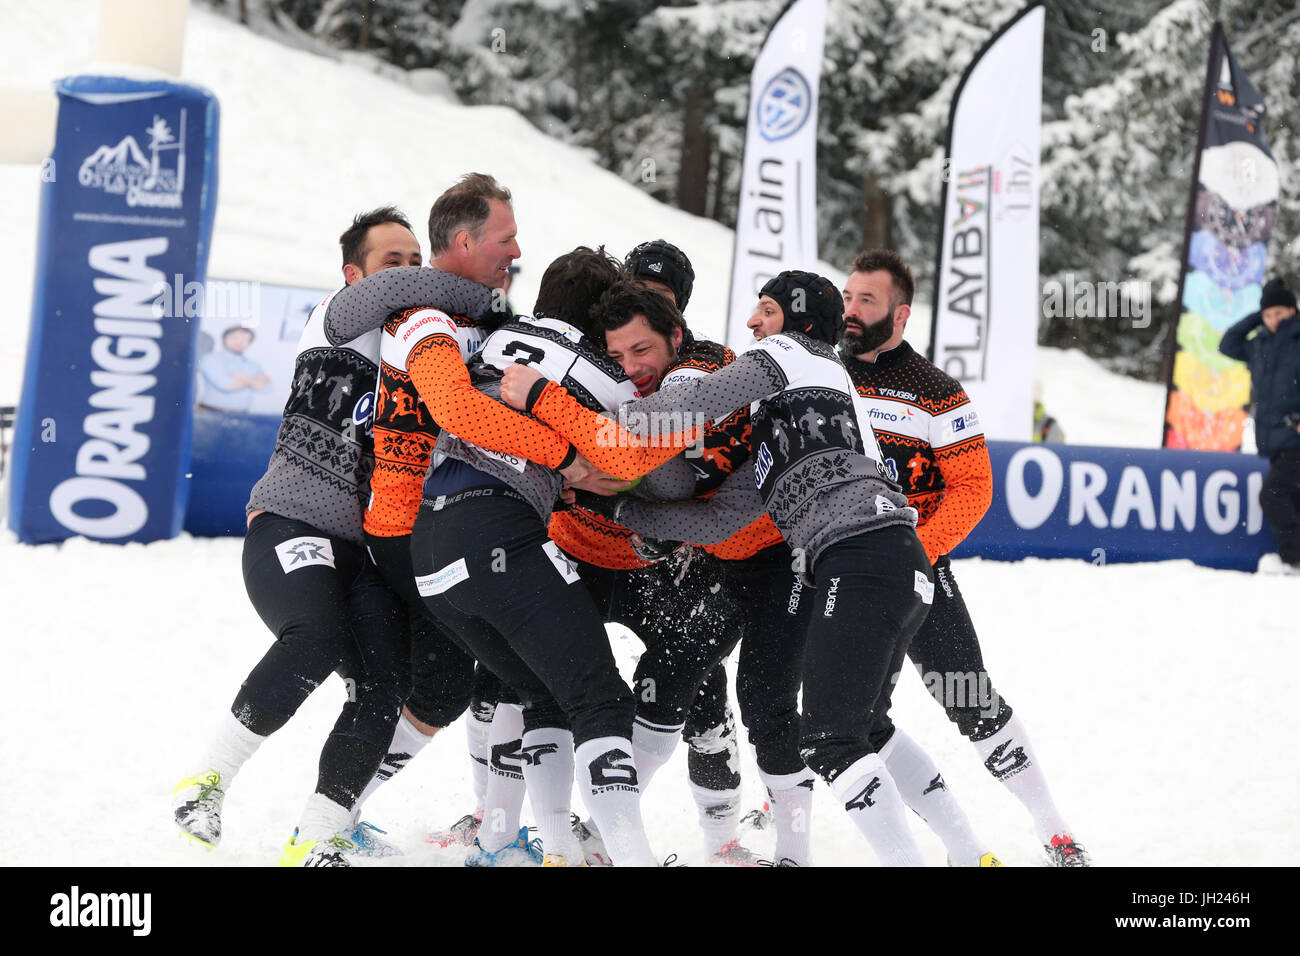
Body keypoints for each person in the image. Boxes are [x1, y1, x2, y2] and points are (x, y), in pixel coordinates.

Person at [503, 271, 957, 866]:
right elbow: (712, 517)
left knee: (800, 717)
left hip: (801, 562)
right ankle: (962, 849)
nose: (751, 322)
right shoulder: (768, 401)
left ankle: (788, 849)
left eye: (765, 311)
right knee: (693, 683)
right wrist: (614, 492)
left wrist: (560, 422)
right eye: (619, 354)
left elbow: (661, 441)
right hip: (757, 558)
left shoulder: (728, 367)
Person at [171, 207, 492, 866]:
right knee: (315, 638)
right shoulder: (338, 315)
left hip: (367, 550)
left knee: (387, 684)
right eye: (392, 261)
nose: (408, 273)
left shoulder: (425, 345)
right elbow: (407, 294)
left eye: (415, 259)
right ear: (354, 274)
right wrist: (488, 296)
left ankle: (317, 837)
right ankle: (203, 784)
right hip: (292, 522)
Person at [408, 243, 671, 866]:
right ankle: (628, 856)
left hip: (429, 550)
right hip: (498, 535)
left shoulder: (489, 340)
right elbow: (631, 466)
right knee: (601, 699)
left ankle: (540, 849)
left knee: (542, 692)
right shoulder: (607, 376)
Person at [839, 248, 1088, 866]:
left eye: (866, 300)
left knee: (969, 695)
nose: (849, 310)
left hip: (914, 573)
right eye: (847, 296)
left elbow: (973, 490)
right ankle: (961, 846)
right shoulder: (822, 374)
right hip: (831, 574)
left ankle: (1051, 826)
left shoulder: (936, 392)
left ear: (900, 315)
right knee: (851, 718)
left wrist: (911, 555)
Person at [550, 242, 766, 865]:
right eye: (634, 292)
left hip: (662, 558)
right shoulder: (600, 352)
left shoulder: (712, 366)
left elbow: (675, 473)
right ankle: (504, 818)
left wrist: (604, 470)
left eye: (660, 302)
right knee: (535, 678)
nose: (632, 357)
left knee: (697, 691)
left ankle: (720, 834)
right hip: (582, 546)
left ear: (678, 320)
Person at [1220, 276, 1300, 573]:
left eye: (1280, 313)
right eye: (1268, 315)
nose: (1274, 320)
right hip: (1274, 440)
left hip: (1295, 439)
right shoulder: (1260, 344)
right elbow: (1227, 345)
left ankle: (1293, 560)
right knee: (1292, 499)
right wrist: (1258, 314)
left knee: (1273, 495)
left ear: (1293, 311)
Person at [196, 325, 270, 412]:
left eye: (245, 339)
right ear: (224, 339)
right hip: (210, 412)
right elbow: (225, 385)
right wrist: (254, 380)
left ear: (249, 343)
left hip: (241, 414)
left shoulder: (253, 364)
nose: (239, 342)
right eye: (234, 337)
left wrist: (239, 377)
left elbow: (267, 388)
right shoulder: (210, 358)